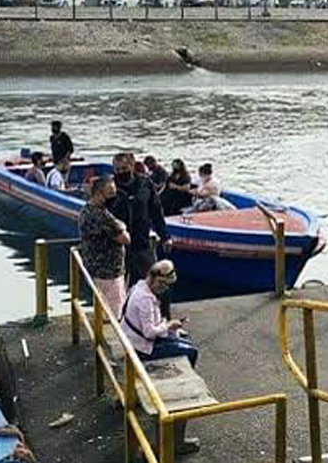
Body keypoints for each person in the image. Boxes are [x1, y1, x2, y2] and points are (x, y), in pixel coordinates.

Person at [121, 260, 200, 455]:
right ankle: (181, 381)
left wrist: (170, 327)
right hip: (142, 348)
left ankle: (179, 373)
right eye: (163, 285)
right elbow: (149, 332)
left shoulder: (139, 287)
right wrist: (169, 326)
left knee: (185, 342)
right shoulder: (145, 299)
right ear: (155, 279)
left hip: (133, 342)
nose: (164, 290)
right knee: (191, 351)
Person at [107, 153, 170, 291]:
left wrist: (165, 236)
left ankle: (155, 311)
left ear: (132, 166)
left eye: (124, 168)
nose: (121, 172)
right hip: (117, 247)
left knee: (153, 283)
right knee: (117, 288)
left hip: (142, 243)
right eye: (117, 170)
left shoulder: (145, 184)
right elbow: (101, 215)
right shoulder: (109, 187)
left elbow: (156, 212)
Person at [79, 176, 131, 316]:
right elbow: (125, 239)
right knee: (115, 313)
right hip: (107, 272)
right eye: (110, 194)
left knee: (103, 309)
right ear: (98, 194)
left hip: (96, 267)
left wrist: (120, 225)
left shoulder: (87, 210)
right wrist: (122, 226)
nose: (113, 197)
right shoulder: (101, 216)